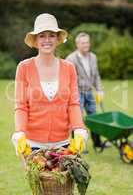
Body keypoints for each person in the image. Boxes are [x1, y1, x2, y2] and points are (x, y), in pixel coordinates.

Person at [11, 13, 88, 156]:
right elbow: (21, 105)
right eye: (42, 35)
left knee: (64, 179)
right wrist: (20, 133)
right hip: (33, 145)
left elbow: (73, 104)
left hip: (63, 145)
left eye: (51, 35)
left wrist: (78, 129)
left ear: (57, 39)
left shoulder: (69, 67)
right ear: (35, 40)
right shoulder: (24, 67)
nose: (47, 40)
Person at [66, 32, 104, 148]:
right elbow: (68, 79)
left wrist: (99, 90)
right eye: (83, 43)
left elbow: (96, 75)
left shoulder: (93, 57)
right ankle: (76, 145)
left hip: (89, 92)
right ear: (77, 44)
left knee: (94, 117)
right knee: (77, 119)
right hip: (77, 94)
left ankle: (97, 143)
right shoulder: (71, 59)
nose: (86, 45)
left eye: (87, 42)